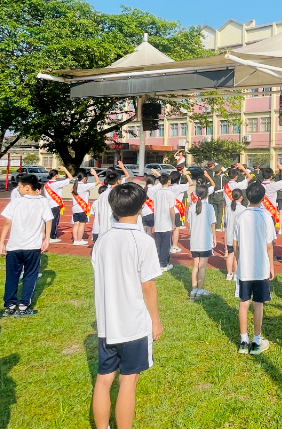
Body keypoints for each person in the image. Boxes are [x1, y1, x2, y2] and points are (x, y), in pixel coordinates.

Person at [90, 182, 163, 430]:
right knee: (128, 381)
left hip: (107, 322)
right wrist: (155, 321)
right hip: (132, 324)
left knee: (103, 379)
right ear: (141, 208)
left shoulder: (102, 240)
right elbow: (148, 286)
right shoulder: (143, 241)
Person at [0, 174, 53, 317]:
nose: (18, 189)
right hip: (32, 247)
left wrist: (2, 241)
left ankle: (10, 305)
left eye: (20, 186)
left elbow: (7, 222)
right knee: (30, 275)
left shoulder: (16, 202)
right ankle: (23, 306)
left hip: (14, 246)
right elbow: (48, 220)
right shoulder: (43, 202)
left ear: (27, 188)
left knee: (12, 276)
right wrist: (47, 239)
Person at [234, 181, 276, 356]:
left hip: (244, 268)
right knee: (258, 304)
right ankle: (256, 341)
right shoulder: (266, 216)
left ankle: (243, 341)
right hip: (260, 267)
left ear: (247, 196)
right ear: (263, 198)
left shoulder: (240, 217)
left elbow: (235, 244)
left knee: (243, 303)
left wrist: (239, 261)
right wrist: (271, 266)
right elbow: (269, 245)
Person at [187, 184, 216, 299]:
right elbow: (212, 224)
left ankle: (194, 290)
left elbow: (190, 224)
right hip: (205, 241)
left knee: (195, 266)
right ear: (207, 194)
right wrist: (214, 238)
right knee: (202, 267)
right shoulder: (209, 207)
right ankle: (200, 290)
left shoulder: (192, 207)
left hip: (194, 241)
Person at [151, 174, 176, 271]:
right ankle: (164, 264)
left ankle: (158, 263)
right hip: (166, 223)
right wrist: (173, 223)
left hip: (158, 222)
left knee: (158, 244)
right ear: (168, 181)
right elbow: (171, 209)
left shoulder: (156, 193)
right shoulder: (170, 193)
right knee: (166, 245)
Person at [43, 167, 73, 244]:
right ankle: (52, 236)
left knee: (48, 221)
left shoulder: (46, 184)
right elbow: (71, 178)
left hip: (48, 204)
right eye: (58, 174)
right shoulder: (57, 183)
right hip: (55, 204)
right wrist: (65, 169)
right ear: (56, 175)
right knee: (54, 221)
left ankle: (47, 235)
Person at [259, 162, 282, 235]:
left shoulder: (259, 186)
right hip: (270, 213)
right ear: (271, 176)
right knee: (270, 235)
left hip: (261, 212)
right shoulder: (273, 185)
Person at [223, 188, 244, 280]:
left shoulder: (228, 208)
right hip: (238, 236)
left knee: (230, 254)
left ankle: (229, 274)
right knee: (236, 255)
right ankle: (236, 274)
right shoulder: (243, 209)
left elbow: (225, 222)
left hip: (229, 235)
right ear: (241, 197)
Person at [71, 169, 96, 245]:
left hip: (75, 209)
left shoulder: (74, 186)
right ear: (84, 178)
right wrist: (95, 174)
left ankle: (75, 240)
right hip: (82, 208)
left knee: (76, 225)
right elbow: (97, 182)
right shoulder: (84, 186)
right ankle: (79, 240)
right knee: (82, 225)